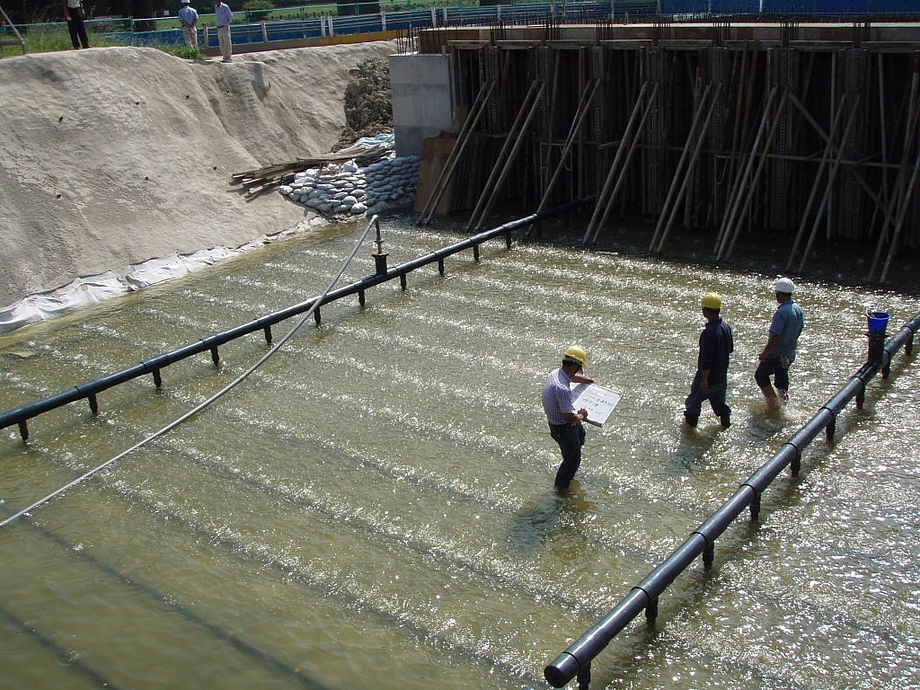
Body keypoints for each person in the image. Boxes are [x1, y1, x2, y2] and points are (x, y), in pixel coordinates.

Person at [542, 345, 594, 491]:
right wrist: (582, 415)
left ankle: (571, 453)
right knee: (573, 461)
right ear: (575, 366)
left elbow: (571, 377)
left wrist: (588, 380)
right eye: (579, 368)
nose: (579, 372)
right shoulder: (562, 389)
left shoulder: (556, 373)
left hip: (558, 424)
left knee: (580, 435)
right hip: (563, 428)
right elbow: (570, 418)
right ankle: (560, 491)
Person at [683, 292, 734, 429]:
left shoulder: (708, 332)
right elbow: (730, 349)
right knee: (721, 406)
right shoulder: (726, 327)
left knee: (692, 405)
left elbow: (706, 359)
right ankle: (726, 427)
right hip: (721, 376)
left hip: (708, 377)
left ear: (705, 311)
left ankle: (690, 433)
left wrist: (704, 380)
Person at [755, 277, 805, 410]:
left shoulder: (781, 313)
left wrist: (765, 353)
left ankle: (774, 406)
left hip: (776, 354)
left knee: (760, 376)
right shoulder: (798, 309)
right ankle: (784, 404)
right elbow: (800, 329)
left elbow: (775, 336)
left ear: (779, 294)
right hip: (788, 354)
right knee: (781, 383)